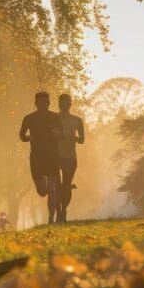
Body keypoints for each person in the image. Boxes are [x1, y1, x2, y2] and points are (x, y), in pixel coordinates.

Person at [19, 91, 62, 225]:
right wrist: (28, 137)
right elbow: (21, 135)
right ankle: (51, 211)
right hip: (36, 158)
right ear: (36, 103)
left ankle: (51, 217)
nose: (45, 104)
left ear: (49, 102)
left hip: (52, 157)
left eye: (47, 101)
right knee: (42, 191)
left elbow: (61, 133)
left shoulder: (55, 117)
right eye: (43, 102)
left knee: (52, 189)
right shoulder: (29, 118)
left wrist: (57, 134)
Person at [56, 93, 85, 223]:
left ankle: (63, 211)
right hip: (55, 156)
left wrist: (71, 137)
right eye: (63, 104)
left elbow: (82, 140)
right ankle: (59, 212)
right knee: (56, 186)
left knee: (66, 185)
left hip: (70, 156)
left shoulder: (77, 120)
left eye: (67, 104)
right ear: (59, 105)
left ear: (70, 104)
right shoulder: (53, 118)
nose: (65, 106)